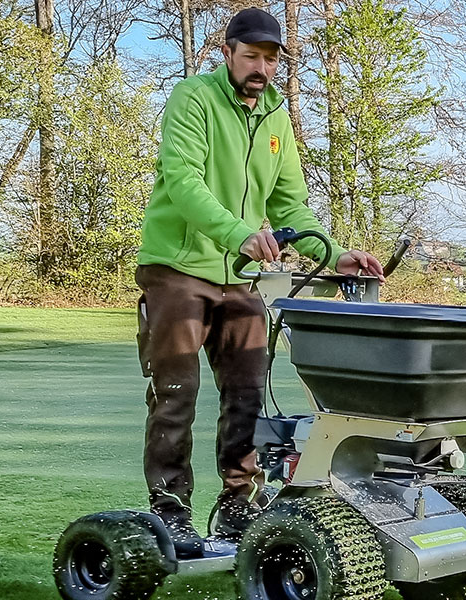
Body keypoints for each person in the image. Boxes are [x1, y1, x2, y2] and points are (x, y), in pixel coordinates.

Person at [134, 7, 383, 553]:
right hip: (177, 270)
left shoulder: (276, 118)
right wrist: (240, 234)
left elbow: (291, 202)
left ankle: (236, 508)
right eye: (252, 56)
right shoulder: (193, 99)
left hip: (241, 278)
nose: (262, 68)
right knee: (176, 394)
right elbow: (183, 181)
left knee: (248, 392)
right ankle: (170, 510)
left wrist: (334, 254)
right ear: (226, 52)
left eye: (271, 59)